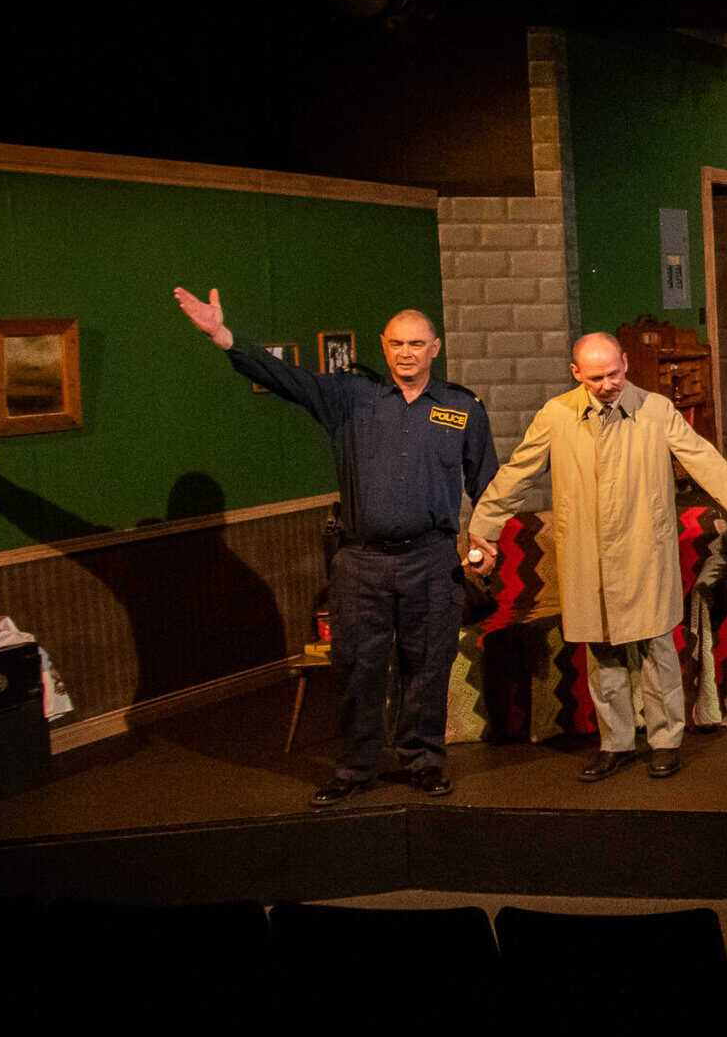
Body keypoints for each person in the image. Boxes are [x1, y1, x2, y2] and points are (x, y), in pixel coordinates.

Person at [172, 288, 494, 804]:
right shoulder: (350, 397)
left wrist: (487, 535)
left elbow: (488, 485)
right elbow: (285, 378)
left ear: (435, 348)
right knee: (358, 668)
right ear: (383, 346)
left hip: (432, 561)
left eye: (416, 344)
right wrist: (225, 337)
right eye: (396, 344)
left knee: (427, 667)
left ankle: (425, 761)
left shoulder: (461, 408)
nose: (406, 353)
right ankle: (356, 767)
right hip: (361, 562)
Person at [467, 332, 727, 781]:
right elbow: (518, 473)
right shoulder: (557, 415)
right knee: (603, 653)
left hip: (642, 553)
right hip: (587, 556)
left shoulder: (655, 410)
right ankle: (615, 743)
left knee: (656, 649)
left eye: (613, 374)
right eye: (595, 377)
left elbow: (704, 460)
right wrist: (485, 528)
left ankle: (665, 741)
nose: (606, 385)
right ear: (576, 373)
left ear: (627, 364)